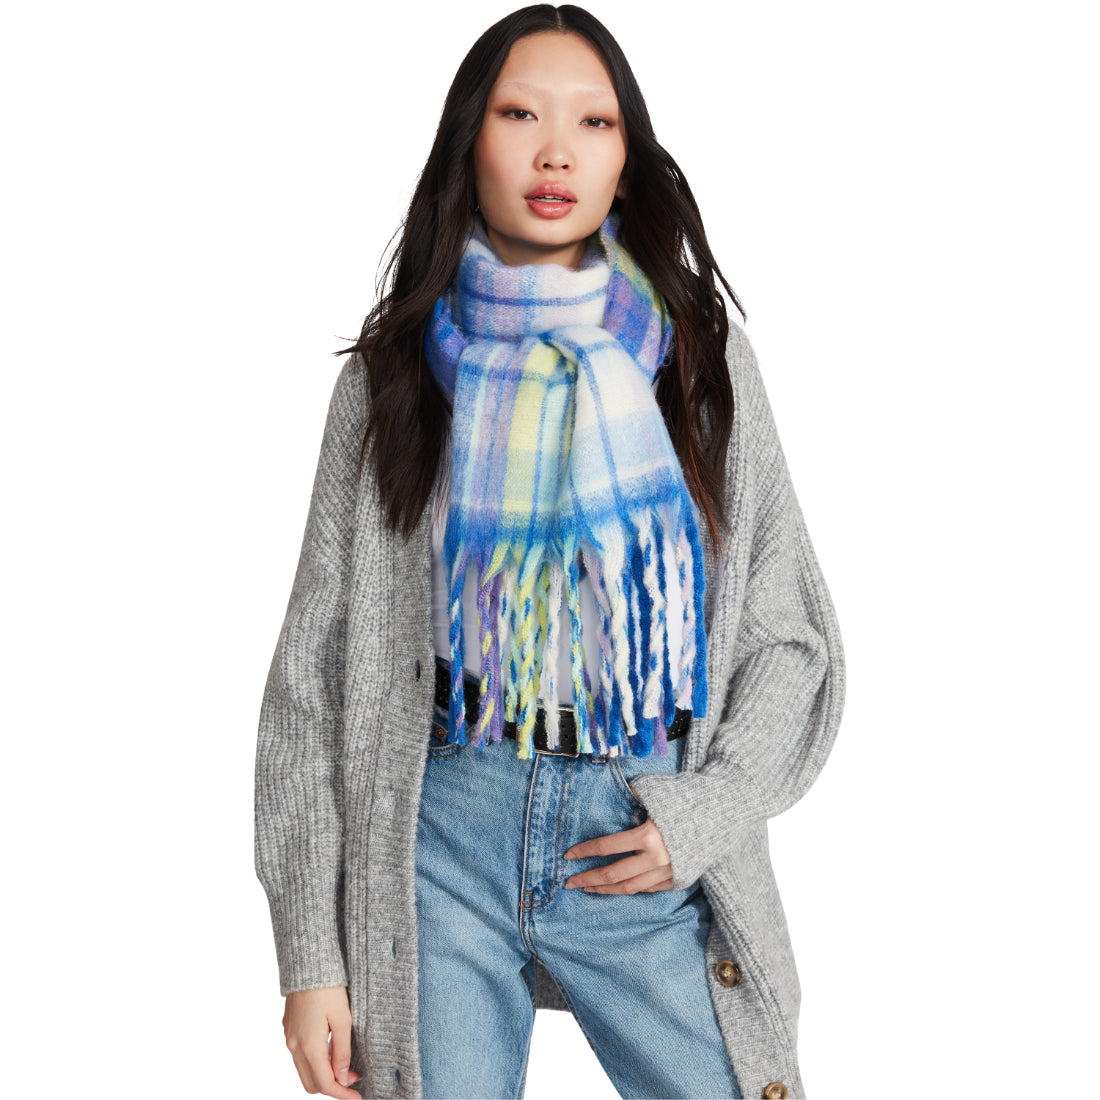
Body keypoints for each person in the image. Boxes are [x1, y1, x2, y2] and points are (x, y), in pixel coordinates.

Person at [253, 5, 845, 1099]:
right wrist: (310, 957)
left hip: (639, 821)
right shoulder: (390, 378)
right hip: (442, 835)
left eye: (594, 122)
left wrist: (703, 813)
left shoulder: (698, 365)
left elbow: (788, 636)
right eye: (519, 114)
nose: (556, 151)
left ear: (625, 161)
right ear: (468, 140)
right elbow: (311, 677)